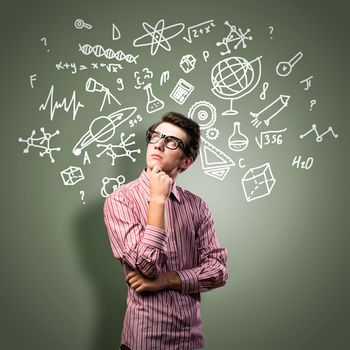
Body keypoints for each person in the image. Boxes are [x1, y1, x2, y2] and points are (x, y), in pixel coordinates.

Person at [104, 112, 228, 350]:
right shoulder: (120, 200)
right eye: (156, 136)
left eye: (172, 141)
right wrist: (158, 200)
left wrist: (168, 280)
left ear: (185, 162)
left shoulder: (197, 206)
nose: (159, 144)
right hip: (145, 341)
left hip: (190, 341)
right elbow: (147, 267)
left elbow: (218, 271)